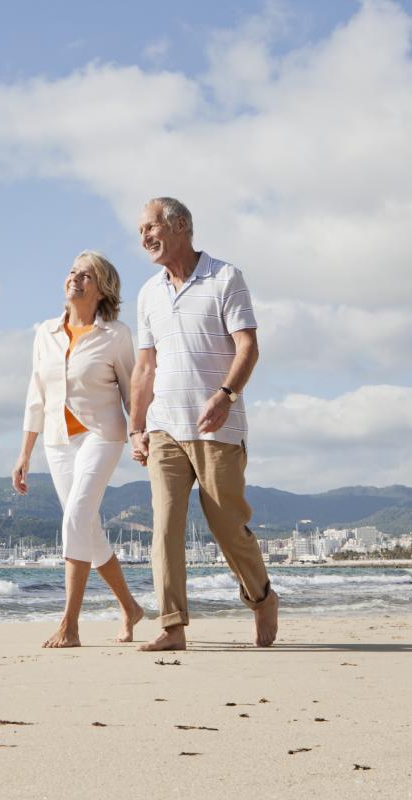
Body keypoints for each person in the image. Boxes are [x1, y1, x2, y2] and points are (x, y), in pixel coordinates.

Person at [128, 197, 279, 652]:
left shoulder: (225, 277)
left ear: (180, 226)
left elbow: (248, 346)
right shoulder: (148, 293)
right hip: (164, 428)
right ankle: (172, 626)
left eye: (151, 227)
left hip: (217, 426)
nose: (144, 237)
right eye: (141, 230)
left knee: (226, 526)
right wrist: (136, 427)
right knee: (165, 527)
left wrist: (226, 396)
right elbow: (145, 367)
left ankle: (261, 596)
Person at [13, 250, 144, 648]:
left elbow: (132, 390)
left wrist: (139, 433)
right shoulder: (46, 332)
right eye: (73, 272)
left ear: (102, 289)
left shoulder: (116, 335)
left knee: (75, 518)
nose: (75, 279)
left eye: (86, 275)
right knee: (87, 528)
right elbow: (36, 396)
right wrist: (25, 453)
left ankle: (69, 624)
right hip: (57, 441)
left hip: (102, 434)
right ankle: (130, 607)